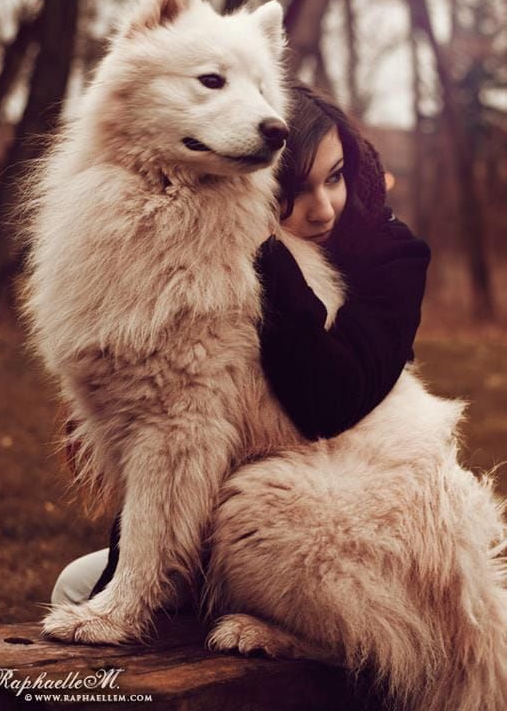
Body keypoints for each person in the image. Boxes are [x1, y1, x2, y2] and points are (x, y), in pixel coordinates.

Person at [51, 82, 430, 606]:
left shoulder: (390, 257)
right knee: (74, 584)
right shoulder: (205, 237)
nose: (321, 210)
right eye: (292, 192)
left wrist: (260, 244)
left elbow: (332, 398)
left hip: (328, 504)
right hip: (217, 502)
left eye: (335, 178)